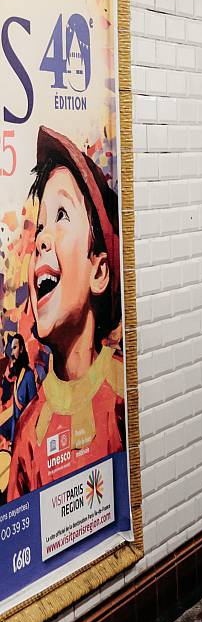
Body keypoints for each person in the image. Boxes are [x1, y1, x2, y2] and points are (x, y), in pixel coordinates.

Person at [7, 126, 125, 500]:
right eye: (40, 225)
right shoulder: (29, 431)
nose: (41, 238)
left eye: (61, 215)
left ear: (99, 271)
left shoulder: (125, 392)